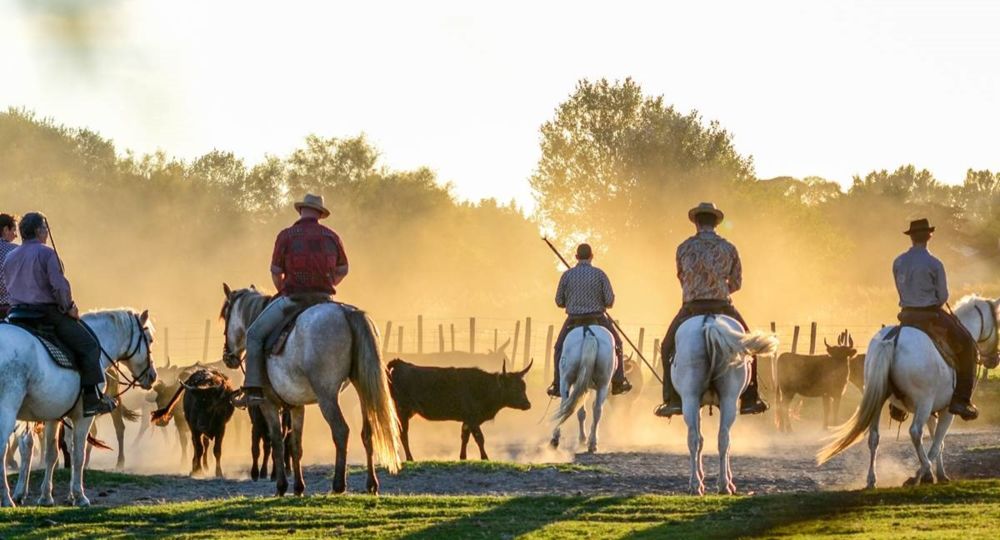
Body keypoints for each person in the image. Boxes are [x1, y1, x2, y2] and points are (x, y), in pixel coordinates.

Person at [233, 194, 349, 408]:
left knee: (254, 335)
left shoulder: (286, 236)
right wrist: (329, 281)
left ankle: (253, 390)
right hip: (324, 299)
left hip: (293, 298)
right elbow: (344, 268)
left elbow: (276, 271)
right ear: (320, 214)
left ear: (301, 210)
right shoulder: (332, 237)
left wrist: (282, 290)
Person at [654, 203, 768, 418]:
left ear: (696, 222)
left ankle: (671, 399)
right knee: (749, 346)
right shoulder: (729, 248)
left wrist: (696, 289)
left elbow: (682, 278)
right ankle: (750, 398)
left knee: (667, 346)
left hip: (691, 307)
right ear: (716, 223)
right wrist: (720, 288)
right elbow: (737, 283)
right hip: (722, 306)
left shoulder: (684, 247)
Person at [1, 212, 117, 416]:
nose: (47, 233)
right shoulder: (47, 254)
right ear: (39, 231)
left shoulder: (10, 257)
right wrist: (69, 307)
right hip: (45, 314)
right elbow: (59, 287)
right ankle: (91, 399)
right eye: (45, 229)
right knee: (90, 346)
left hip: (17, 315)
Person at [893, 218, 978, 420]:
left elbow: (900, 289)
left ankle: (896, 404)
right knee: (968, 345)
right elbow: (942, 297)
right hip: (930, 316)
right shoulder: (935, 263)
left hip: (906, 316)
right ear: (929, 237)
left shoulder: (898, 262)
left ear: (911, 237)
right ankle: (961, 400)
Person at [546, 243, 631, 398]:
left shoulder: (567, 275)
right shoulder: (600, 274)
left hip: (574, 321)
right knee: (618, 344)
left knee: (558, 348)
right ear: (591, 256)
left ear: (576, 257)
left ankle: (557, 384)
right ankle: (619, 381)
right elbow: (609, 301)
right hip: (597, 318)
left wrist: (572, 301)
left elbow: (559, 301)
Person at [0, 213, 18, 319]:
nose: (16, 235)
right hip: (9, 308)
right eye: (14, 230)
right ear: (6, 230)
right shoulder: (15, 250)